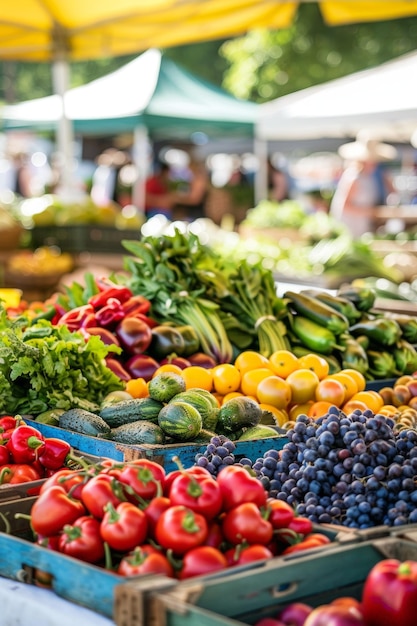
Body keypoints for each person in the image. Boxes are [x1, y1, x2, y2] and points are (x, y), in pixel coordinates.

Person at [330, 131, 398, 237]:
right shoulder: (353, 176)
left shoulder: (371, 177)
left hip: (362, 223)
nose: (374, 163)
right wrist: (370, 212)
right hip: (350, 225)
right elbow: (344, 206)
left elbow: (392, 192)